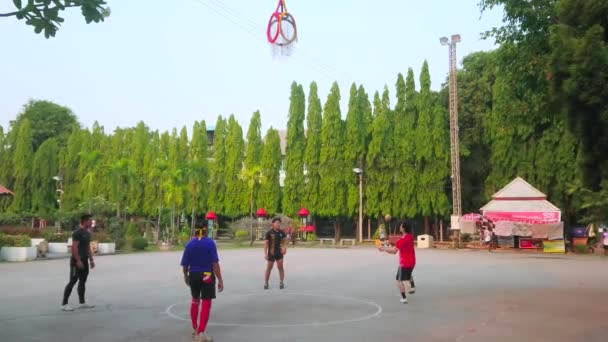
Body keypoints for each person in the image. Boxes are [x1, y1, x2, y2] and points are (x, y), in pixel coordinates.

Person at [181, 223, 224, 342]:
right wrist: (220, 279)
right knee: (206, 302)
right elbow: (215, 264)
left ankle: (195, 328)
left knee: (195, 300)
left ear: (195, 231)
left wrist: (186, 276)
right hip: (207, 275)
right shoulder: (210, 243)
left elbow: (185, 264)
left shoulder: (189, 244)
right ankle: (201, 332)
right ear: (205, 230)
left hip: (193, 274)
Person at [61, 214, 96, 311]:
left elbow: (88, 247)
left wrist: (91, 260)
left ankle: (82, 302)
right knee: (72, 281)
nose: (91, 222)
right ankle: (64, 304)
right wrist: (78, 260)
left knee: (82, 281)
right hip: (76, 261)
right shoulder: (77, 233)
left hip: (84, 261)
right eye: (90, 221)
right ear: (84, 221)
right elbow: (74, 248)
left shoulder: (87, 233)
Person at [378, 221, 416, 303]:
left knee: (399, 281)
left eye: (401, 226)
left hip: (404, 263)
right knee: (407, 274)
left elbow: (394, 251)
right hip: (412, 262)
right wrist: (388, 246)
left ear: (403, 228)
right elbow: (396, 247)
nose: (400, 227)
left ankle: (404, 298)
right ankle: (412, 285)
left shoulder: (401, 241)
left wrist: (383, 248)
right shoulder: (410, 237)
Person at [264, 217, 287, 289]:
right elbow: (266, 244)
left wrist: (284, 249)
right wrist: (265, 254)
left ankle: (281, 282)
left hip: (279, 253)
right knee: (269, 268)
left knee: (280, 267)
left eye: (279, 223)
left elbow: (284, 242)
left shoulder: (281, 232)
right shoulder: (269, 233)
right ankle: (266, 283)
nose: (278, 224)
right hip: (271, 254)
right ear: (273, 223)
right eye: (277, 222)